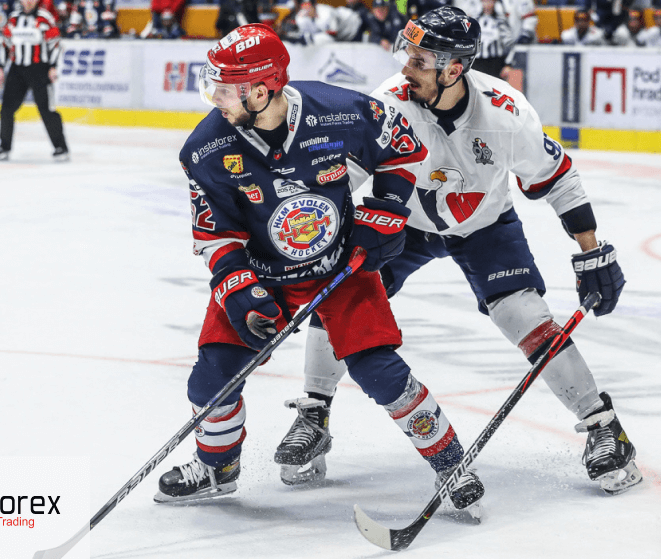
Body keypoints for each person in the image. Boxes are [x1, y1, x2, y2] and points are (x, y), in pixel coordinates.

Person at [274, 7, 643, 498]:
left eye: (420, 60)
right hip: (404, 224)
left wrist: (591, 251)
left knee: (524, 317)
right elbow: (346, 176)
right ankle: (314, 414)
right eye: (407, 55)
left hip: (484, 225)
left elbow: (557, 177)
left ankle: (602, 425)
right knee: (338, 294)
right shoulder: (388, 103)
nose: (407, 67)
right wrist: (314, 230)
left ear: (453, 69)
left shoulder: (504, 112)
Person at [153, 23, 485, 515]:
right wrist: (240, 291)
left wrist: (385, 213)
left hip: (340, 267)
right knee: (211, 379)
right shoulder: (205, 149)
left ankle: (453, 463)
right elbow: (216, 234)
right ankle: (217, 468)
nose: (214, 99)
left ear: (261, 90)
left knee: (382, 374)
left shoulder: (337, 111)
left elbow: (404, 149)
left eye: (225, 89)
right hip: (263, 275)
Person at [0, 0, 69, 162]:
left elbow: (56, 44)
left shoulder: (44, 18)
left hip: (40, 70)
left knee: (47, 110)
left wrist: (53, 66)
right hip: (17, 69)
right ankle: (4, 147)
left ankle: (60, 147)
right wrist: (0, 68)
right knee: (6, 109)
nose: (28, 1)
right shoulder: (13, 19)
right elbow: (5, 44)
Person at [294, 0, 364, 44]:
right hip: (341, 35)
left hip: (353, 27)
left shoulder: (326, 13)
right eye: (303, 6)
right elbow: (306, 36)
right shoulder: (300, 18)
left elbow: (334, 33)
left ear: (314, 5)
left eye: (308, 6)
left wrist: (315, 37)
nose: (306, 9)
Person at [473, 0, 512, 78]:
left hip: (495, 62)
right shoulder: (475, 20)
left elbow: (509, 43)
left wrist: (508, 64)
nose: (487, 4)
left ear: (494, 2)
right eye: (485, 1)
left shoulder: (501, 21)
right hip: (477, 62)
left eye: (490, 1)